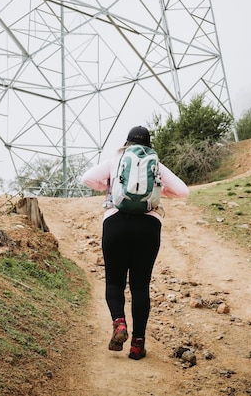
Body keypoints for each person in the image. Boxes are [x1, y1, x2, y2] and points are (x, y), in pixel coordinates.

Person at [80, 125, 189, 360]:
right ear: (149, 144)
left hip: (115, 224)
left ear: (127, 142)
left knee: (115, 282)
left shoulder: (116, 160)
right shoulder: (155, 163)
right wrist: (159, 191)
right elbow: (183, 191)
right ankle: (138, 345)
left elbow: (87, 178)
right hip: (148, 227)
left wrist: (108, 186)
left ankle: (119, 324)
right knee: (140, 286)